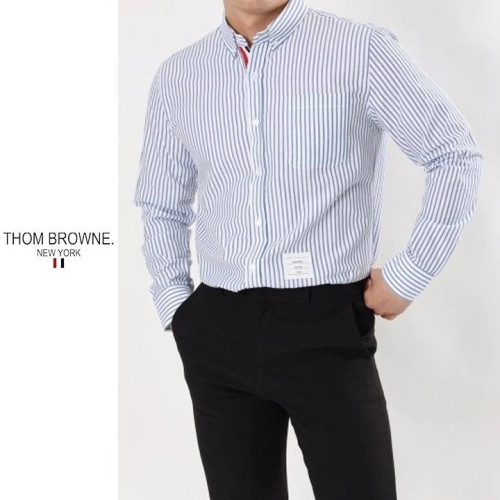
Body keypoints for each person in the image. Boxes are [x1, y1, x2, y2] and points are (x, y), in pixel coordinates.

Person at [133, 0, 483, 498]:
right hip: (217, 332)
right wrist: (178, 306)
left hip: (327, 327)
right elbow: (161, 202)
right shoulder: (179, 76)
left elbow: (454, 154)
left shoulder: (359, 50)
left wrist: (410, 275)